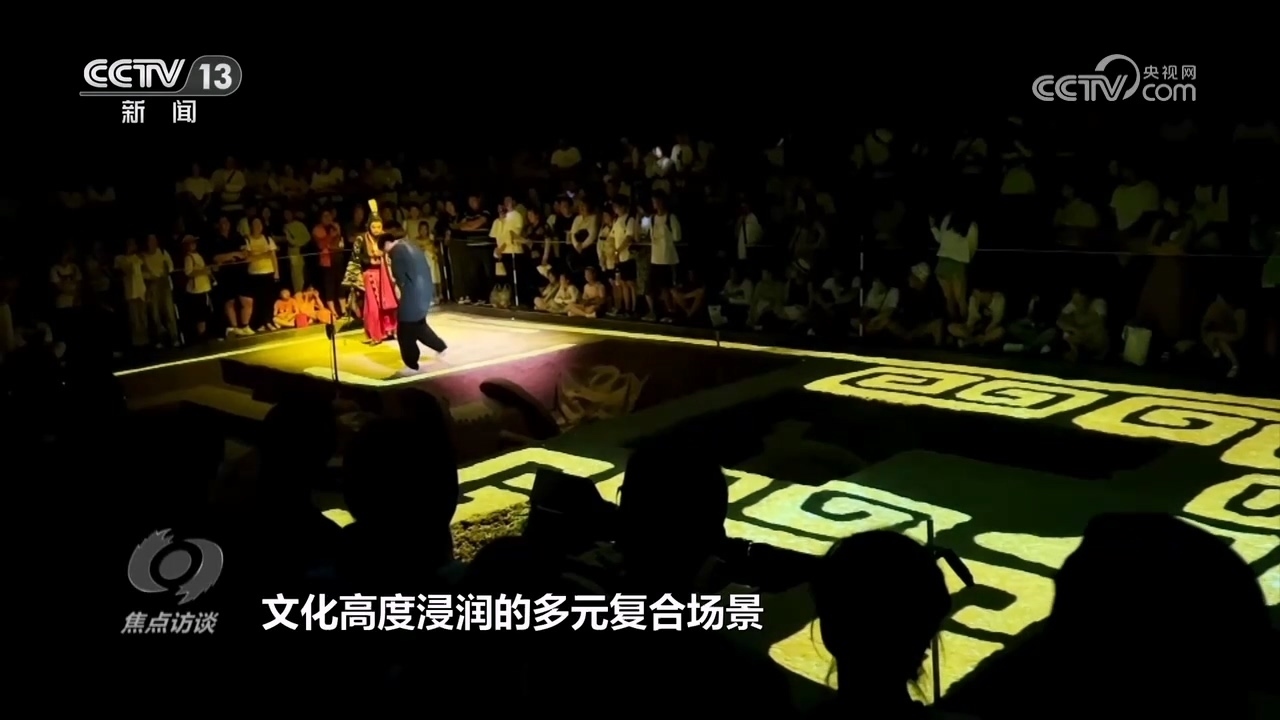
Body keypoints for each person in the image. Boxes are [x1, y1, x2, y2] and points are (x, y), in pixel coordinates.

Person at [387, 233, 447, 371]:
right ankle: (439, 346)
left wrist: (401, 292)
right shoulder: (411, 246)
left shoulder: (397, 251)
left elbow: (400, 277)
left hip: (412, 295)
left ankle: (411, 363)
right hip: (423, 292)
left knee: (405, 331)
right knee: (419, 326)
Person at [356, 202, 399, 344]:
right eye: (373, 227)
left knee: (389, 304)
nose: (376, 230)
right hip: (370, 274)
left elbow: (393, 252)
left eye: (379, 227)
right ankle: (376, 334)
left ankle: (391, 330)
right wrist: (371, 259)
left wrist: (383, 256)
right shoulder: (362, 239)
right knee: (373, 307)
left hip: (385, 274)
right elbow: (358, 257)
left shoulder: (386, 238)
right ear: (369, 226)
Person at [1200, 291, 1247, 378]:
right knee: (1214, 338)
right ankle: (1218, 354)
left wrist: (1219, 334)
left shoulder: (1239, 311)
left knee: (1215, 338)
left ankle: (1234, 364)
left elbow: (1239, 334)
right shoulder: (1223, 309)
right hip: (1228, 334)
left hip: (1237, 336)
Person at [948, 282, 1006, 348]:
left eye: (977, 295)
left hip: (989, 330)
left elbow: (995, 322)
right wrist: (969, 329)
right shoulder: (973, 299)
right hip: (976, 329)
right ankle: (974, 341)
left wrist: (985, 333)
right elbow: (971, 321)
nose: (975, 297)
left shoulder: (999, 300)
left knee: (1000, 331)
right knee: (951, 327)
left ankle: (970, 342)